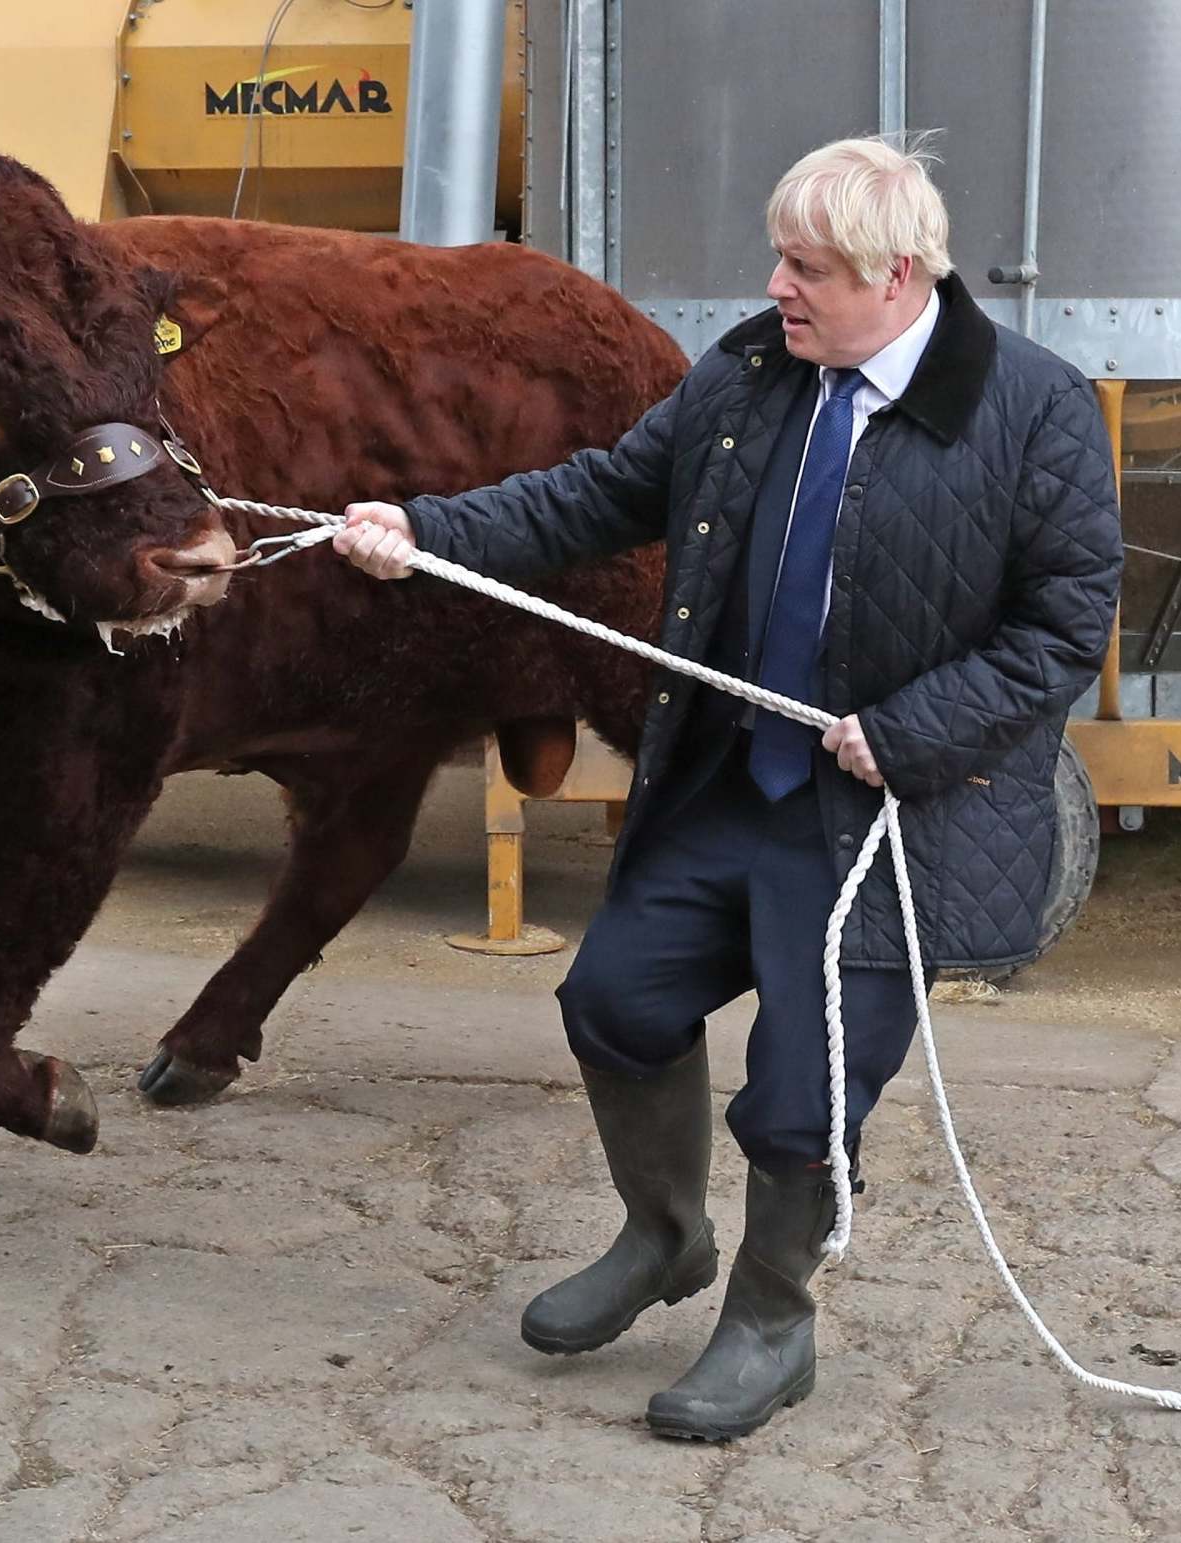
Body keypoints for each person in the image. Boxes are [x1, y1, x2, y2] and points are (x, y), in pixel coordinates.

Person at [334, 137, 1122, 1439]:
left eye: (807, 267)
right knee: (613, 996)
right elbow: (599, 495)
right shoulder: (752, 372)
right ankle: (663, 1235)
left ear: (899, 276)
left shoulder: (1029, 410)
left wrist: (914, 727)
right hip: (729, 785)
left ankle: (770, 1318)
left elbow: (1061, 626)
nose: (777, 285)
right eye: (780, 259)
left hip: (888, 821)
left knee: (797, 1102)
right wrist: (425, 531)